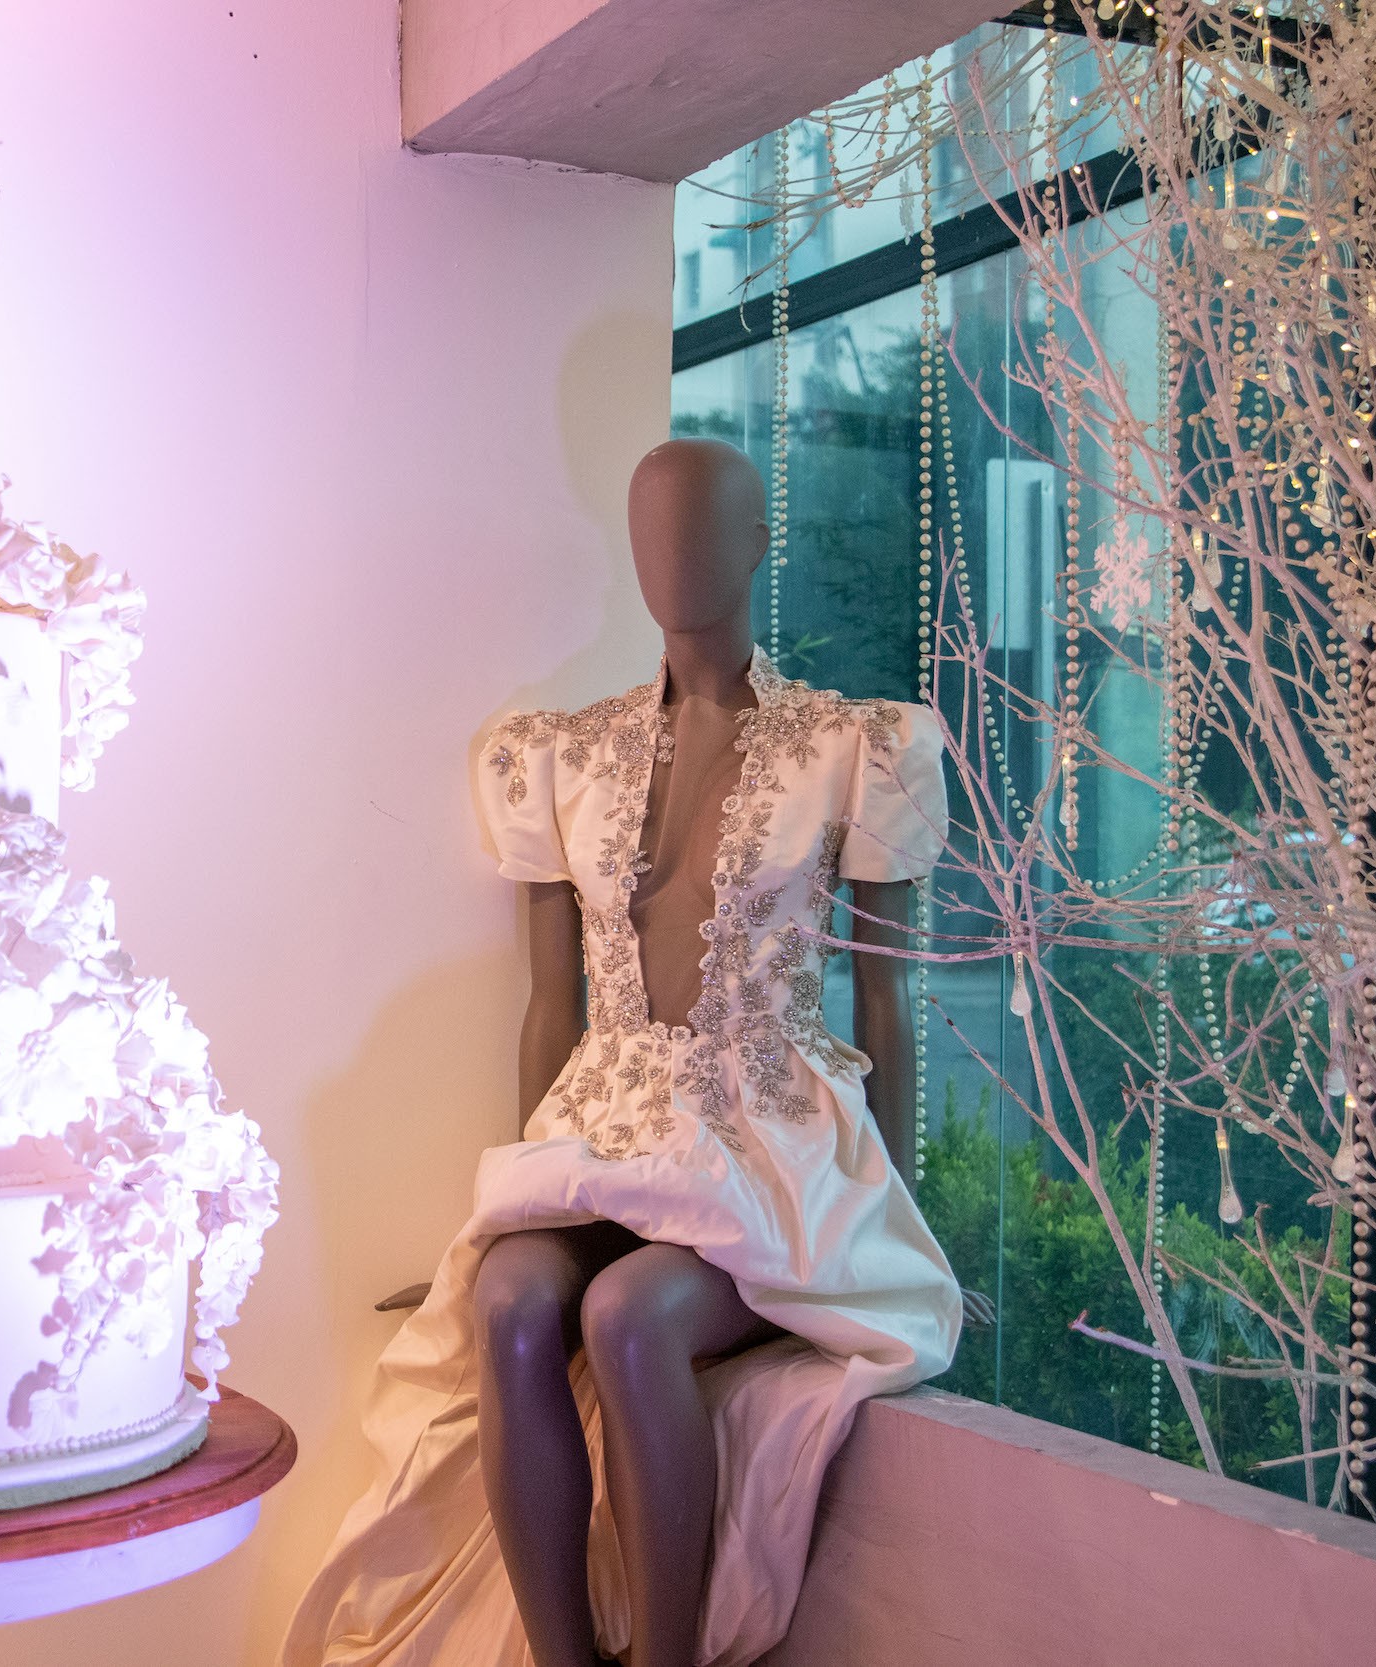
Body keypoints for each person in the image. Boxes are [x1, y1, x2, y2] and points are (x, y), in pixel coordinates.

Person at [284, 439, 962, 1667]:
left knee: (629, 1313)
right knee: (507, 1299)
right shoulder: (557, 753)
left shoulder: (854, 745)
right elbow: (550, 1005)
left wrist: (893, 1223)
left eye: (702, 527)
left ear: (758, 542)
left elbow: (886, 998)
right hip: (595, 1136)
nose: (672, 556)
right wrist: (509, 1199)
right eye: (651, 529)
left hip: (765, 1146)